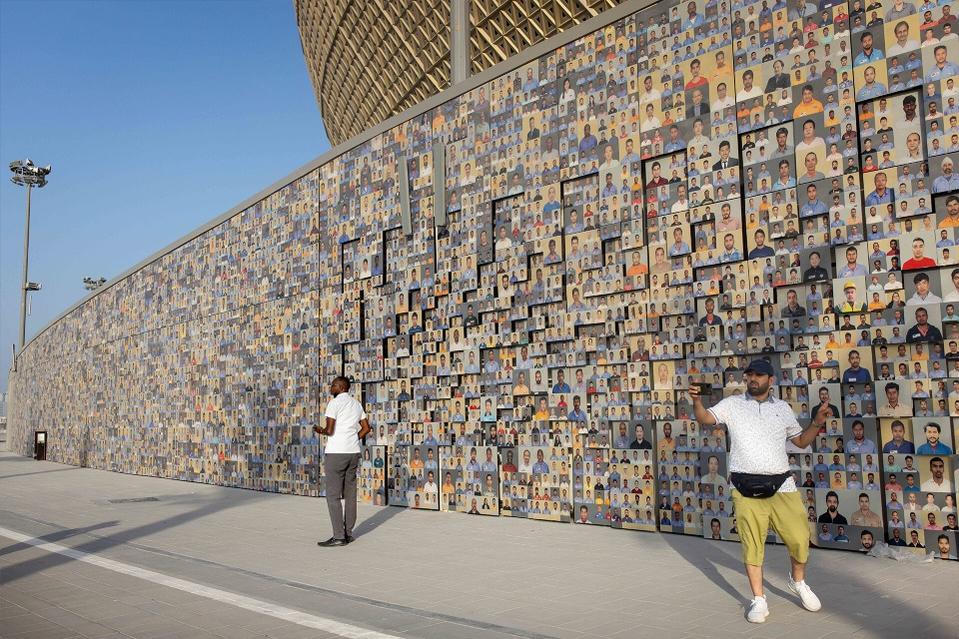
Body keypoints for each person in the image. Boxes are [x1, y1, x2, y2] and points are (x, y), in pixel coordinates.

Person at [692, 359, 827, 623]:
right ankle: (758, 599)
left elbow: (801, 441)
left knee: (800, 538)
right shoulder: (733, 404)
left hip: (782, 484)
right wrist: (696, 401)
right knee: (752, 544)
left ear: (771, 380)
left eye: (759, 375)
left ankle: (798, 582)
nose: (753, 379)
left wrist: (816, 423)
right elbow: (705, 418)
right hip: (744, 485)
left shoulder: (782, 408)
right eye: (750, 374)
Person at [315, 376, 371, 547]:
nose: (330, 388)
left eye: (333, 385)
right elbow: (366, 428)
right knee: (350, 494)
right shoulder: (356, 404)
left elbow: (330, 431)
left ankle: (339, 536)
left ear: (340, 387)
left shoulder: (334, 403)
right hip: (353, 452)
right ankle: (348, 534)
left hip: (336, 453)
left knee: (333, 496)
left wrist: (319, 430)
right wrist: (353, 438)